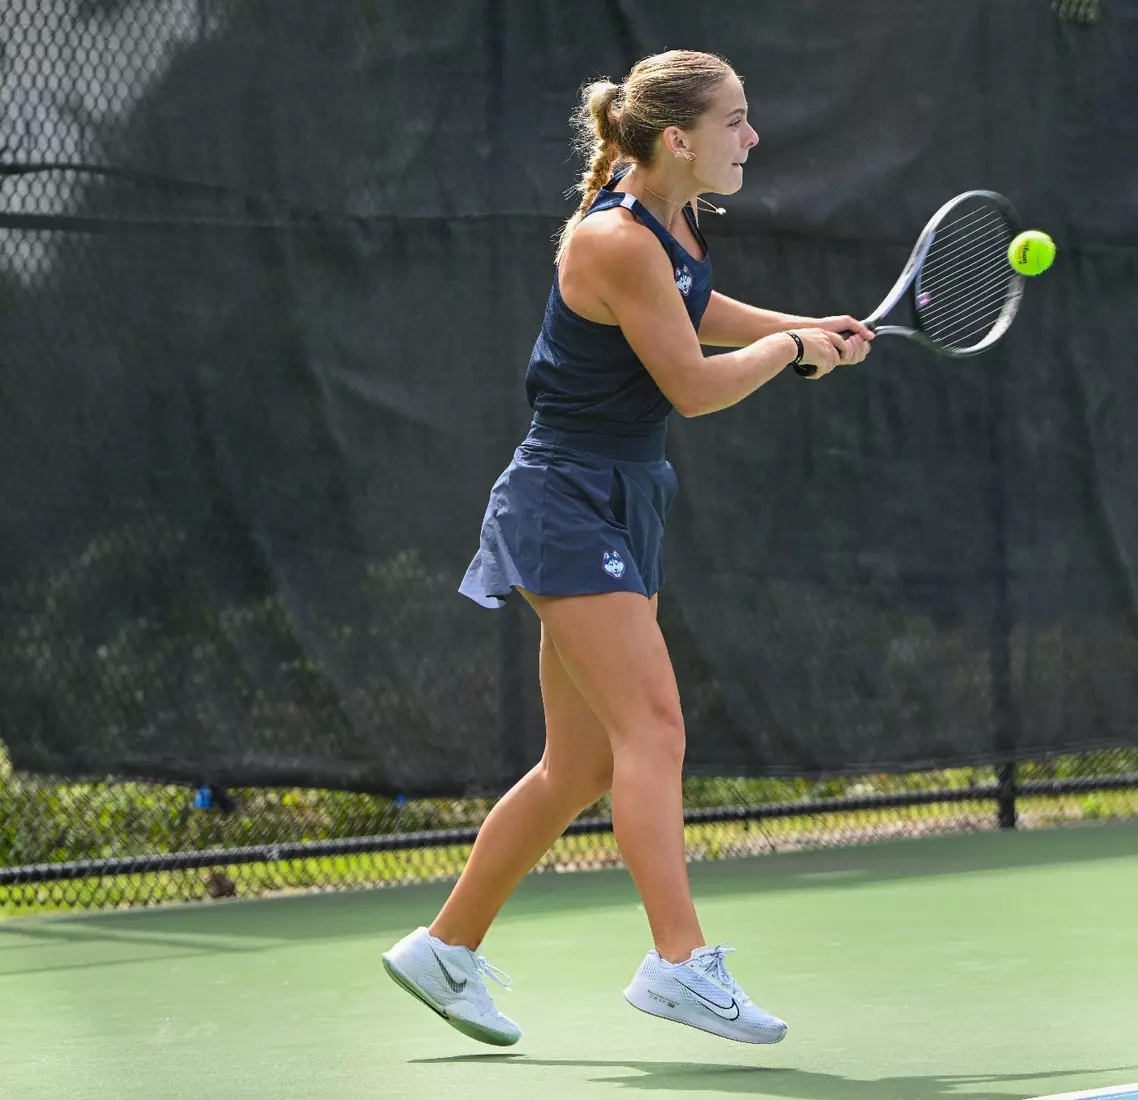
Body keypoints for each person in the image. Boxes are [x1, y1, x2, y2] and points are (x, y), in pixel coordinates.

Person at [380, 49, 873, 1048]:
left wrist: (801, 326)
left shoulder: (670, 219)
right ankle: (680, 962)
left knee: (581, 764)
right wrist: (787, 353)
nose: (754, 137)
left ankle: (444, 947)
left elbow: (688, 310)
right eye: (737, 120)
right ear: (677, 139)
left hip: (616, 499)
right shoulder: (613, 237)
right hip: (567, 501)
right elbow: (692, 382)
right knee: (656, 729)